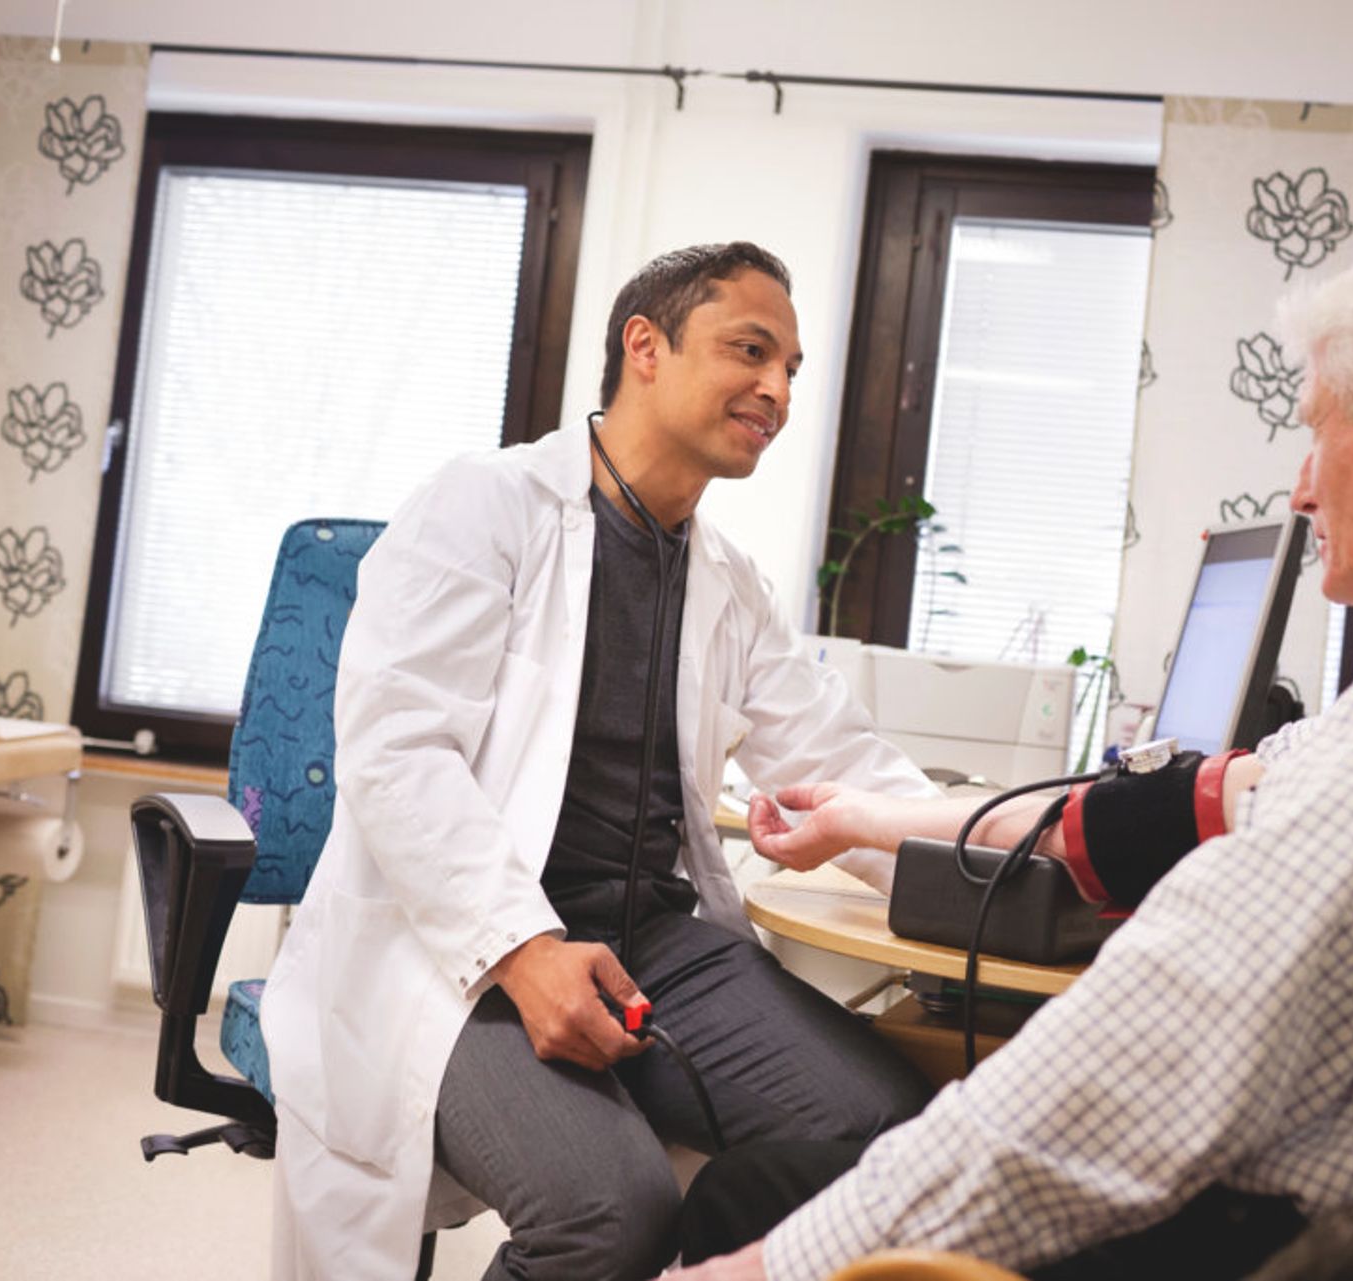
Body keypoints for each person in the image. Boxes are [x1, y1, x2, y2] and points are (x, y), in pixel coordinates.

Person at [671, 234, 1353, 1281]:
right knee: (781, 1180)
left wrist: (776, 1269)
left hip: (1314, 1234)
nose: (1303, 489)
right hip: (1351, 1190)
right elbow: (1217, 814)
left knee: (749, 1206)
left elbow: (1168, 1039)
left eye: (1316, 434)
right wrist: (873, 821)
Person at [259, 243, 936, 1280]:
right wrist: (525, 952)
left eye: (792, 369)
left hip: (652, 943)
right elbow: (400, 755)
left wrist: (995, 858)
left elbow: (840, 758)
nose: (777, 389)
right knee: (610, 1210)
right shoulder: (484, 506)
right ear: (645, 347)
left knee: (895, 1138)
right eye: (751, 351)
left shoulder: (727, 579)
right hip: (459, 954)